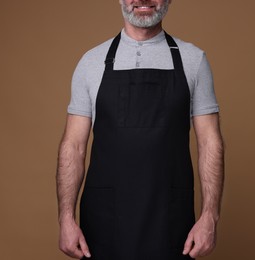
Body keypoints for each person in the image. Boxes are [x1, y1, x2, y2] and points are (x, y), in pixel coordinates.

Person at [56, 0, 225, 259]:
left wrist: (210, 217)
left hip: (170, 220)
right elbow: (73, 146)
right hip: (105, 221)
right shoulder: (91, 62)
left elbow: (210, 142)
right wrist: (65, 218)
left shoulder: (194, 60)